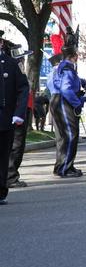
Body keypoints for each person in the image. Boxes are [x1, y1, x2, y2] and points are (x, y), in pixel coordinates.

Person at [48, 42, 86, 178]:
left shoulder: (59, 68)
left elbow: (52, 84)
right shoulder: (67, 69)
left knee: (62, 137)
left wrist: (81, 82)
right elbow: (66, 88)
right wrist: (78, 103)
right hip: (64, 102)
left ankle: (62, 166)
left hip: (57, 100)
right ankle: (65, 168)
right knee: (70, 135)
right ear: (75, 56)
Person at [0, 32, 29, 204]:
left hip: (5, 118)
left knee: (3, 156)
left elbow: (23, 89)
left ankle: (1, 190)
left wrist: (19, 113)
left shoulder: (11, 64)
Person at [6, 43, 34, 188]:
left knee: (18, 144)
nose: (24, 60)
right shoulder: (15, 69)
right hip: (17, 111)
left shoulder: (19, 70)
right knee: (16, 145)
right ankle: (10, 176)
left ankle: (11, 174)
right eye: (22, 58)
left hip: (23, 109)